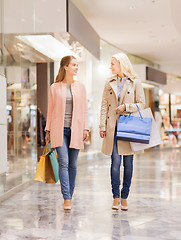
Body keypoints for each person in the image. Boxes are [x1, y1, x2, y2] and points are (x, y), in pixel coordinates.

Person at [99, 52, 145, 211]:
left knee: (128, 163)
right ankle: (115, 197)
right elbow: (104, 105)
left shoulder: (135, 82)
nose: (110, 66)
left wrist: (126, 107)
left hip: (129, 125)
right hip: (113, 127)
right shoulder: (108, 82)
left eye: (112, 63)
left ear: (121, 64)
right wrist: (102, 127)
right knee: (115, 162)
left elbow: (141, 104)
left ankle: (125, 196)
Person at [45, 55, 89, 210]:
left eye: (77, 65)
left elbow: (84, 110)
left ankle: (70, 192)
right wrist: (48, 129)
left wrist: (86, 128)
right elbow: (50, 110)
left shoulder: (81, 87)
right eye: (74, 65)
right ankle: (67, 198)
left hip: (76, 129)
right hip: (59, 129)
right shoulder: (54, 87)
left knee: (73, 165)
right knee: (63, 162)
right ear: (65, 67)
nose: (76, 67)